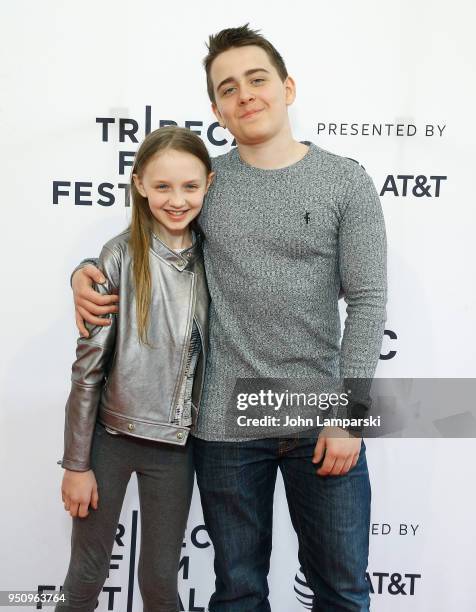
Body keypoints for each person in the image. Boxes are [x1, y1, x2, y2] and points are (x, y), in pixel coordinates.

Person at [71, 25, 387, 612]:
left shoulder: (346, 180)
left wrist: (349, 417)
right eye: (228, 88)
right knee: (238, 591)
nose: (245, 94)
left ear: (288, 87)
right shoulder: (205, 182)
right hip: (226, 424)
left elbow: (367, 301)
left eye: (257, 79)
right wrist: (85, 272)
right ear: (216, 108)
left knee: (342, 590)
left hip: (322, 420)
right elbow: (145, 239)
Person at [58, 126, 213, 612]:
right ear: (140, 184)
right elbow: (87, 371)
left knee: (161, 584)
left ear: (208, 183)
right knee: (86, 576)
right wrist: (76, 464)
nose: (176, 199)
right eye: (163, 186)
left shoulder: (215, 258)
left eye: (189, 186)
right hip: (110, 441)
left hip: (176, 448)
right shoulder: (117, 255)